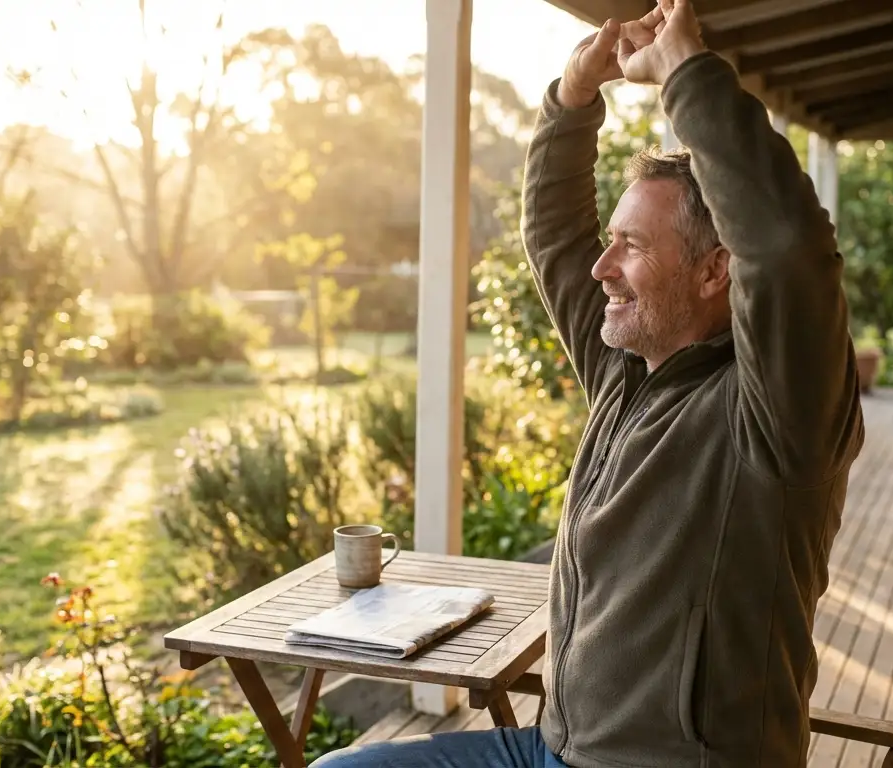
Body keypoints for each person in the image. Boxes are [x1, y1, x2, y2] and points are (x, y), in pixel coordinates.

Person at [313, 0, 863, 765]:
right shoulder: (627, 368)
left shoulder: (777, 414)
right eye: (613, 242)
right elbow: (556, 238)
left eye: (632, 246)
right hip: (555, 748)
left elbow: (789, 249)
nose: (604, 267)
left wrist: (688, 76)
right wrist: (573, 99)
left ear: (715, 270)